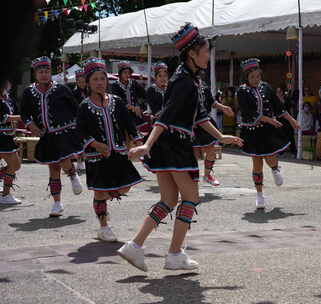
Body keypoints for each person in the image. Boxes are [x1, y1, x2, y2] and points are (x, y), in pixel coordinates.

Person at [117, 23, 243, 272]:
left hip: (169, 145)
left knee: (167, 200)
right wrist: (146, 145)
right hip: (174, 145)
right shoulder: (184, 81)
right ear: (192, 54)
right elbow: (165, 116)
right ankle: (174, 253)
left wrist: (220, 136)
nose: (209, 55)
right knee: (192, 197)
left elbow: (200, 116)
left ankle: (135, 245)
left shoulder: (191, 79)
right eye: (205, 51)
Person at [77, 57, 144, 242]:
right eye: (95, 79)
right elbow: (80, 131)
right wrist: (96, 144)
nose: (99, 83)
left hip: (119, 152)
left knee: (126, 186)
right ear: (88, 83)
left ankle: (105, 204)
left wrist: (139, 142)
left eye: (102, 79)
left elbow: (128, 124)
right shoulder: (84, 106)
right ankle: (104, 226)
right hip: (97, 156)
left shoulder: (117, 101)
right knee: (100, 192)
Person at [21, 56, 84, 217]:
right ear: (35, 74)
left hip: (63, 132)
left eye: (47, 71)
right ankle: (57, 203)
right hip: (46, 135)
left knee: (63, 160)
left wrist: (78, 127)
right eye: (41, 72)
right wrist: (31, 126)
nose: (44, 74)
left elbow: (75, 108)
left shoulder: (61, 89)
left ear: (50, 72)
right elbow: (25, 113)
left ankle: (72, 174)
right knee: (53, 168)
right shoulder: (29, 92)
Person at [237, 58, 299, 209]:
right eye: (252, 77)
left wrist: (291, 120)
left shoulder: (266, 87)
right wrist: (269, 120)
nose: (256, 80)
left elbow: (278, 106)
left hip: (268, 131)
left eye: (258, 76)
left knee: (270, 158)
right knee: (257, 163)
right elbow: (248, 112)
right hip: (252, 131)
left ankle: (275, 168)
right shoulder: (242, 91)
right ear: (246, 77)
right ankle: (259, 195)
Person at [193, 86, 234, 186]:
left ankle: (207, 175)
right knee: (194, 156)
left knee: (211, 152)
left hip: (206, 123)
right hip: (190, 124)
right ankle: (190, 183)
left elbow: (212, 102)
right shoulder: (182, 84)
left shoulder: (203, 87)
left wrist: (224, 107)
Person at [0, 80, 23, 205]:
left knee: (15, 165)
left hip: (8, 137)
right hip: (2, 138)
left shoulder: (8, 99)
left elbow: (13, 113)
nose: (8, 84)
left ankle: (5, 194)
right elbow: (4, 117)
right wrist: (22, 117)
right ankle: (5, 195)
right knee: (15, 165)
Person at [110, 61, 148, 132]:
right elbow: (118, 100)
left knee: (142, 130)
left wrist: (140, 106)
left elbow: (144, 94)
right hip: (121, 114)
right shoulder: (115, 85)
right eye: (125, 73)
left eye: (129, 73)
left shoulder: (133, 83)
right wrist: (132, 107)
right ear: (120, 73)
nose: (127, 75)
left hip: (135, 113)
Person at [72, 69, 87, 173]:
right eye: (80, 82)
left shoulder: (90, 92)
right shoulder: (73, 93)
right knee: (79, 141)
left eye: (84, 81)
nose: (82, 84)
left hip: (89, 119)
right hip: (78, 120)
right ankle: (79, 161)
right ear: (77, 82)